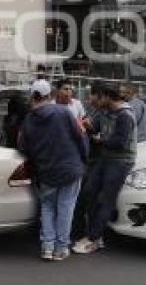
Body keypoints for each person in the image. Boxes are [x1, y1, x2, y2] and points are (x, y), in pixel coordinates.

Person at [18, 79, 89, 262]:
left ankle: (47, 248)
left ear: (33, 96)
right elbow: (80, 137)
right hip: (69, 168)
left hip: (46, 171)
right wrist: (84, 157)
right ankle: (60, 248)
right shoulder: (63, 113)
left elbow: (23, 146)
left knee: (47, 208)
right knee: (66, 208)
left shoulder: (28, 120)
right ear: (49, 95)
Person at [72, 86, 137, 255]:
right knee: (89, 191)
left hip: (121, 160)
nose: (96, 102)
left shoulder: (125, 115)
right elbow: (96, 130)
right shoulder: (104, 112)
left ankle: (94, 238)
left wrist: (100, 140)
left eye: (99, 98)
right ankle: (94, 235)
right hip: (106, 158)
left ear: (108, 97)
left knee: (105, 199)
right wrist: (88, 126)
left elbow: (120, 142)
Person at [71, 83, 111, 240]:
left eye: (91, 95)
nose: (88, 99)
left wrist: (89, 129)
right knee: (83, 198)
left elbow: (102, 135)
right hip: (89, 160)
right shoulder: (94, 111)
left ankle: (92, 235)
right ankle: (81, 232)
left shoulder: (104, 113)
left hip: (96, 161)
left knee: (89, 198)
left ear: (99, 96)